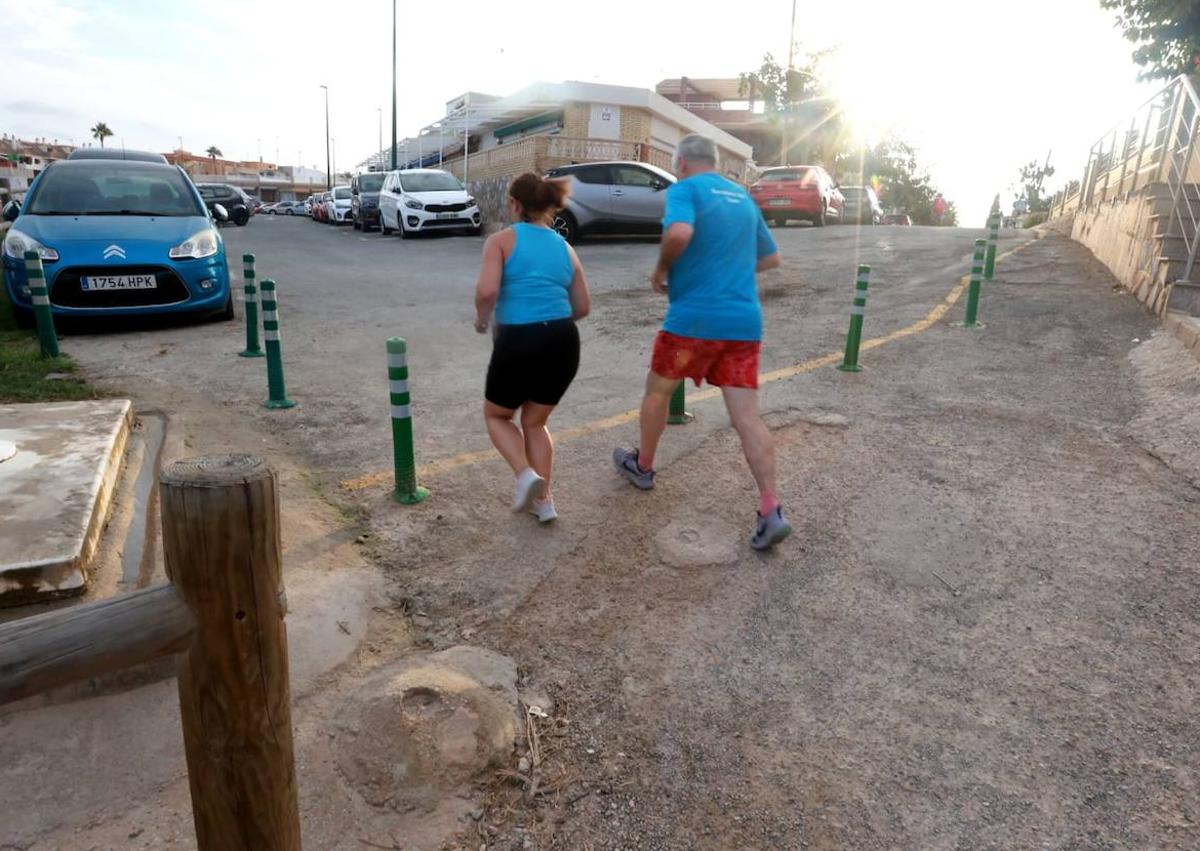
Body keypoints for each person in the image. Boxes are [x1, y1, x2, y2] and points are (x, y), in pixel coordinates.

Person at [612, 134, 790, 550]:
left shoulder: (684, 190)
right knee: (747, 417)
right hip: (743, 326)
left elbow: (677, 234)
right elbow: (771, 257)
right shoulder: (743, 198)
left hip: (691, 322)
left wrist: (660, 270)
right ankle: (770, 507)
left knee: (657, 393)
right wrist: (729, 273)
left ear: (682, 164)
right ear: (713, 161)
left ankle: (645, 465)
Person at [474, 172, 591, 523]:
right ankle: (545, 503)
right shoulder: (564, 247)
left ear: (514, 204)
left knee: (497, 415)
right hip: (562, 339)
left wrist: (482, 318)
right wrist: (550, 320)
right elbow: (583, 306)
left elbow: (487, 291)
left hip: (519, 338)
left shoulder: (500, 241)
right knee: (535, 423)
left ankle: (525, 475)